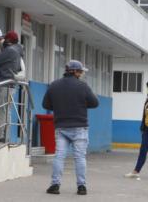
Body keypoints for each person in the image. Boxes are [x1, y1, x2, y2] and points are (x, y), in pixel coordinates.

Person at [44, 60, 99, 196]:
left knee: (59, 156)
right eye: (80, 71)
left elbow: (46, 104)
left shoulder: (54, 85)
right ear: (74, 71)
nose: (81, 74)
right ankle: (81, 187)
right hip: (80, 127)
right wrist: (81, 104)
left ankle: (55, 185)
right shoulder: (83, 86)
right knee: (80, 157)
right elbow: (95, 103)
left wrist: (59, 106)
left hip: (61, 127)